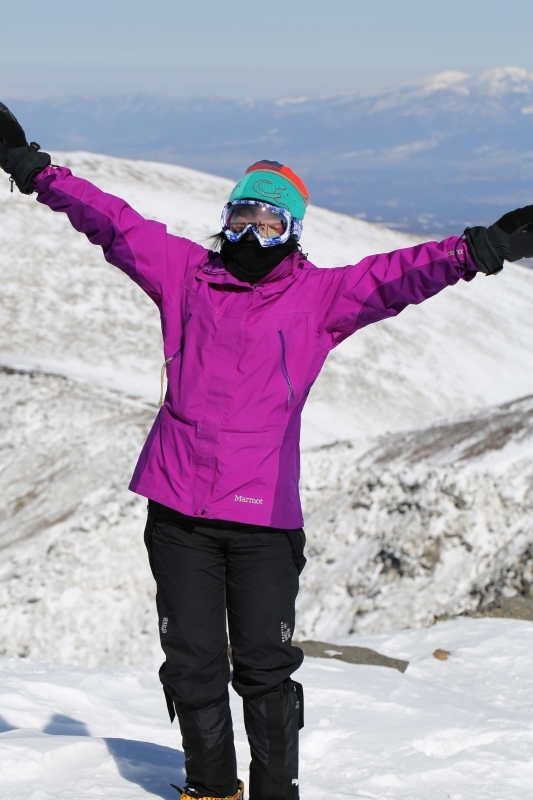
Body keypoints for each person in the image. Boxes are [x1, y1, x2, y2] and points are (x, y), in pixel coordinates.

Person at [1, 101, 533, 800]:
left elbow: (403, 274)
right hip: (178, 511)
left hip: (262, 522)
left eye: (268, 219)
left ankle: (274, 793)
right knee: (190, 665)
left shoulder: (319, 298)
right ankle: (209, 789)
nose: (251, 229)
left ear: (293, 230)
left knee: (263, 667)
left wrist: (481, 247)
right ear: (224, 219)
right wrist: (35, 171)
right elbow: (114, 223)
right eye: (241, 214)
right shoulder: (185, 276)